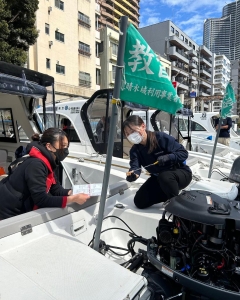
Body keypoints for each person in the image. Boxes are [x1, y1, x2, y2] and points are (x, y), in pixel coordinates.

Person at [0, 128, 90, 220]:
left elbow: (56, 190)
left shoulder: (49, 161)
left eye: (67, 146)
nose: (65, 150)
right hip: (8, 209)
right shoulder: (36, 165)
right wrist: (73, 199)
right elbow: (41, 200)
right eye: (63, 146)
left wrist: (72, 192)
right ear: (49, 146)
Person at [123, 115, 192, 209]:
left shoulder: (161, 138)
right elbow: (135, 167)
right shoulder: (134, 151)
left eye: (132, 131)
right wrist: (133, 174)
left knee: (165, 177)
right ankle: (169, 194)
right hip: (159, 179)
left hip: (180, 173)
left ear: (143, 126)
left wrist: (169, 157)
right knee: (139, 202)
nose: (130, 135)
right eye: (127, 134)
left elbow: (183, 153)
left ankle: (176, 205)